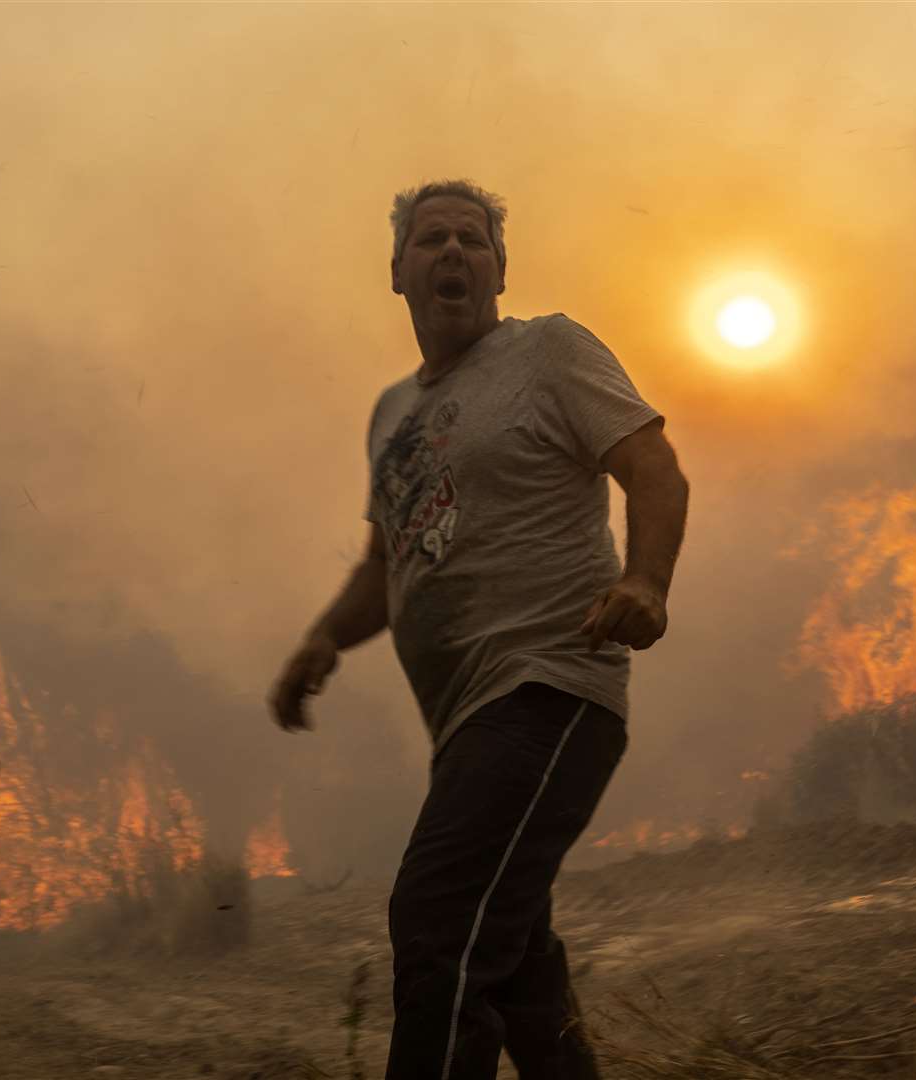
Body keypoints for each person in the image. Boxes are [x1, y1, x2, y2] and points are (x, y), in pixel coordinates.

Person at [269, 179, 689, 1080]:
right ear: (397, 272)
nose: (453, 251)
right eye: (432, 240)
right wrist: (322, 640)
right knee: (518, 970)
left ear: (502, 267)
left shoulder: (549, 351)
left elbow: (654, 469)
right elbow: (388, 568)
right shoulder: (392, 415)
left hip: (549, 687)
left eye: (473, 238)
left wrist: (646, 580)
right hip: (466, 725)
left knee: (439, 920)